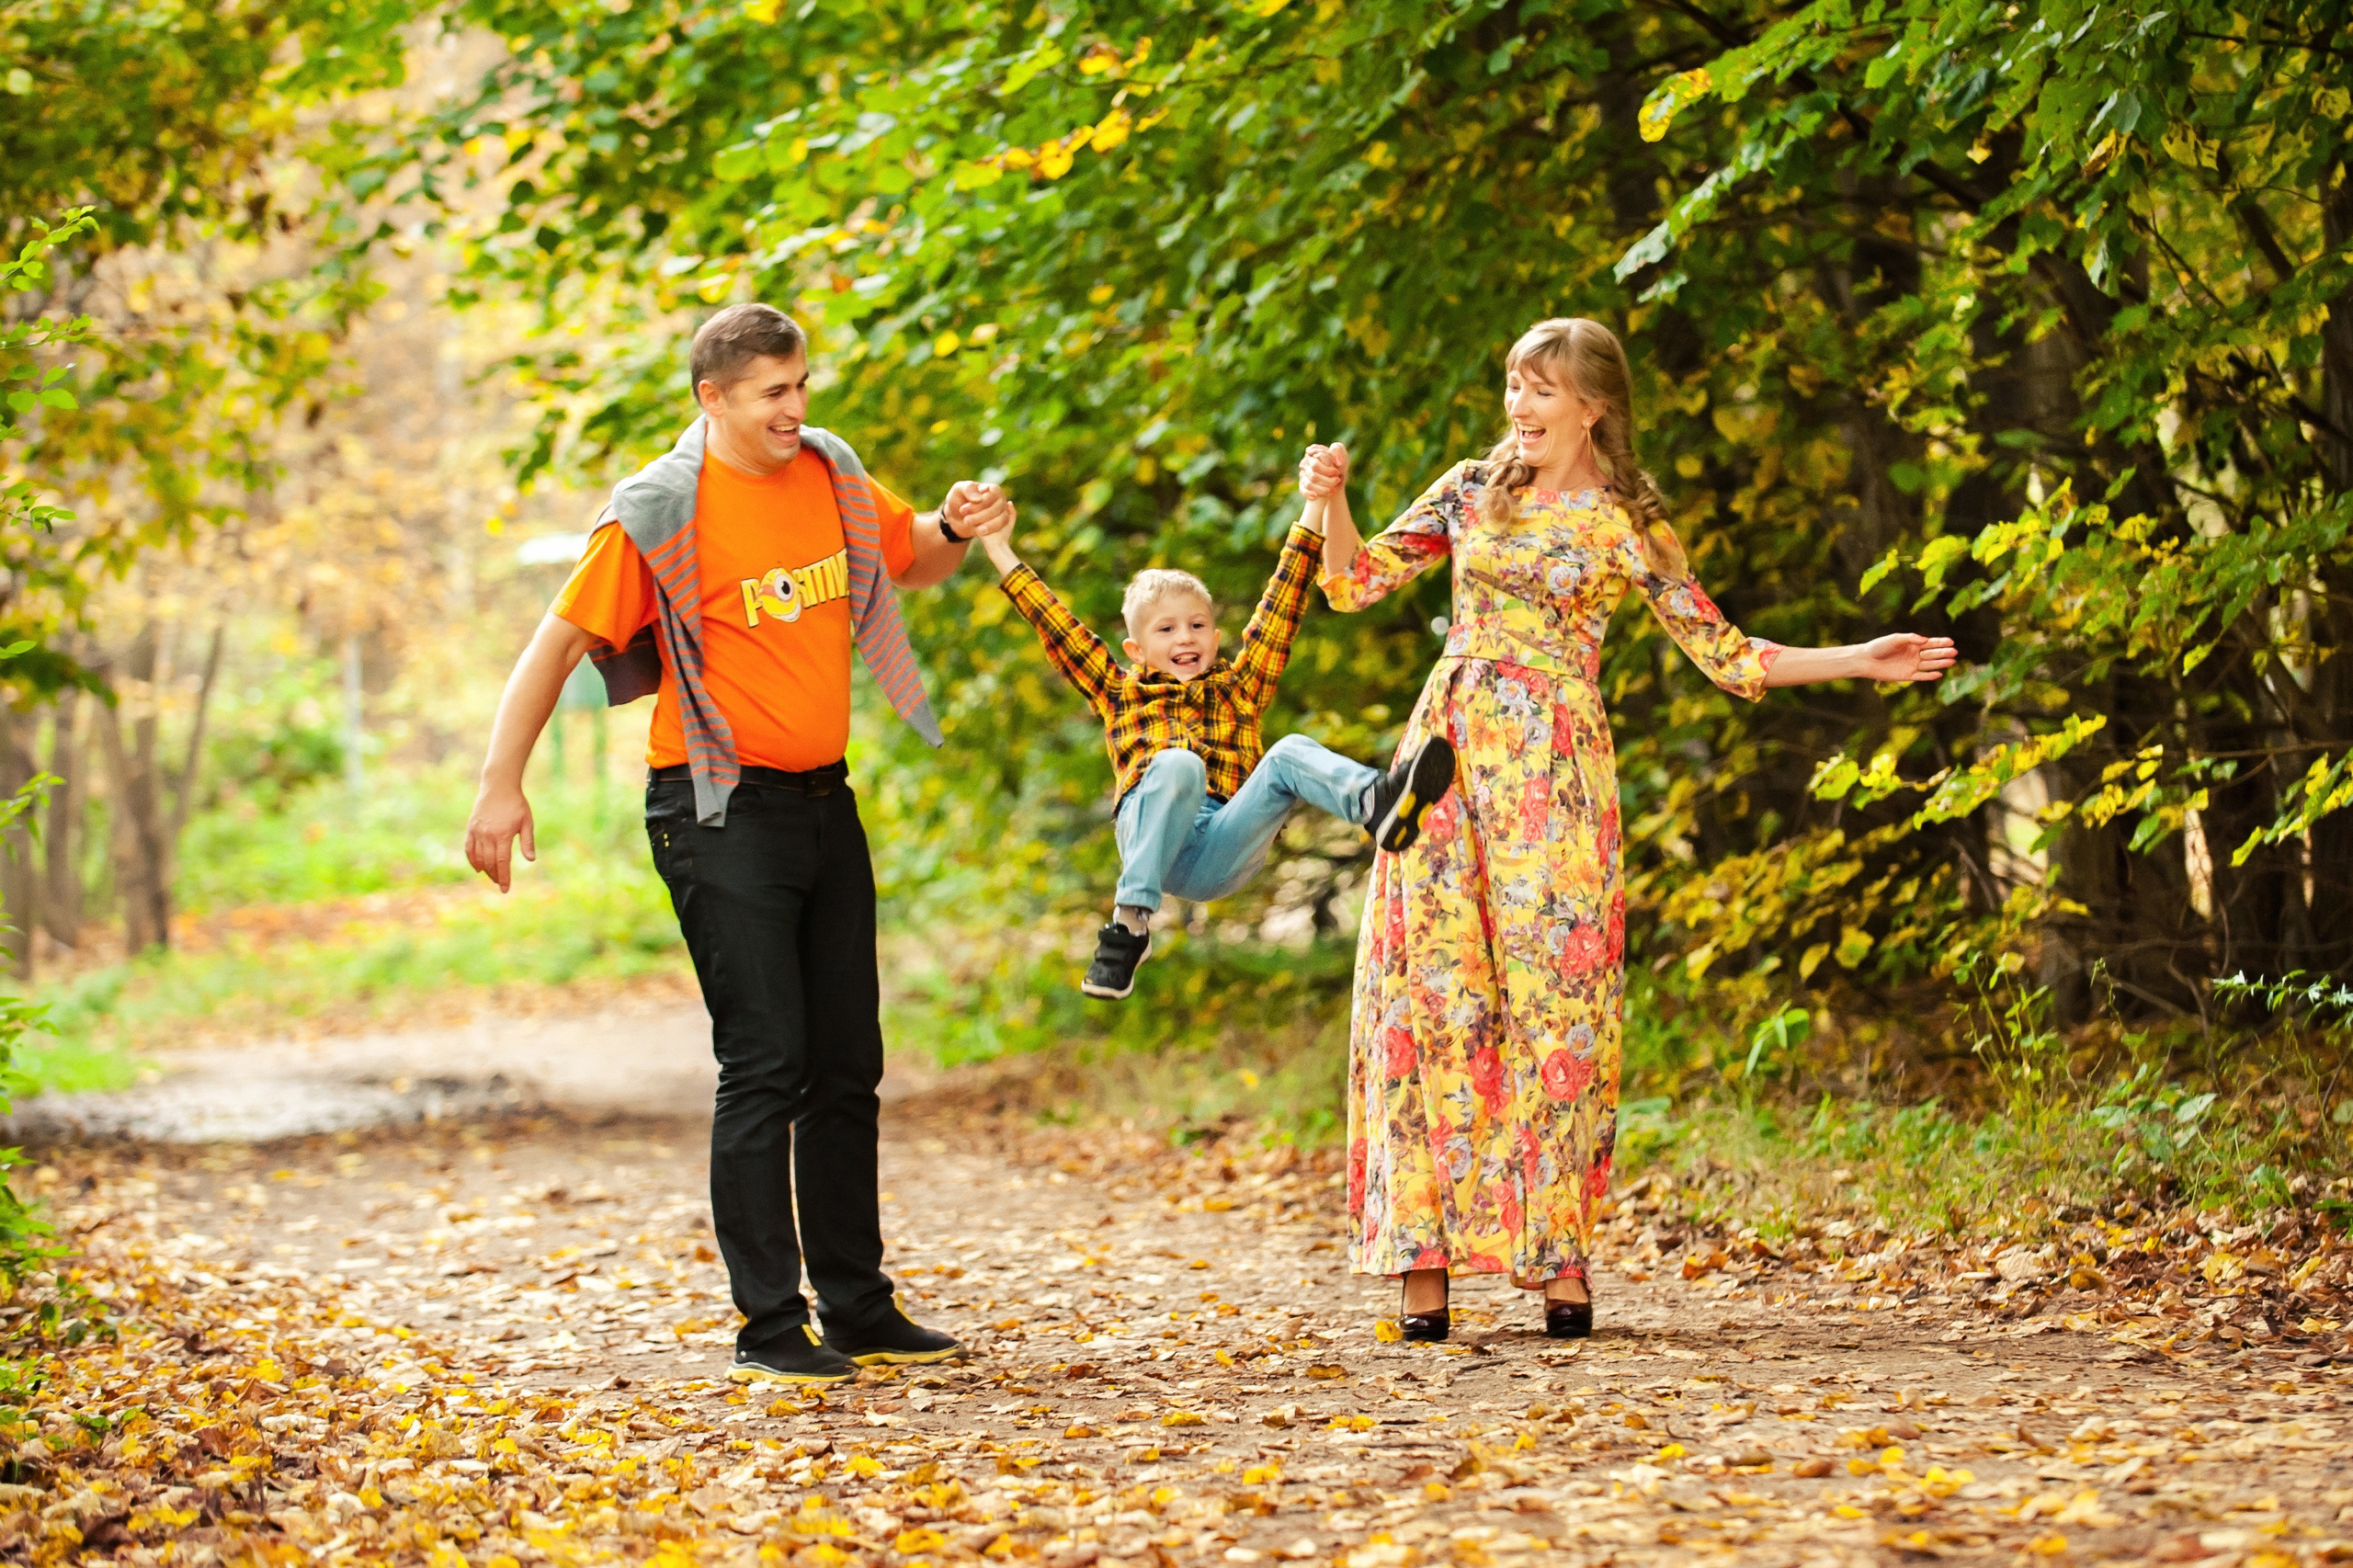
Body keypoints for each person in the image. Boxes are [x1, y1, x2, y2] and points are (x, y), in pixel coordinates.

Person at [1305, 317, 1957, 1343]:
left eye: (1539, 391)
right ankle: (1419, 1261)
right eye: (1513, 387)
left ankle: (1556, 1252)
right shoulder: (1468, 489)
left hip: (1557, 776)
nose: (1518, 409)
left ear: (1592, 405)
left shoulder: (1627, 524)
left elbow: (1728, 654)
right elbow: (1351, 584)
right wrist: (1329, 503)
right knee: (1429, 994)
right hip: (1445, 759)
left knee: (1556, 1005)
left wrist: (1857, 658)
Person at [462, 302, 1014, 1385]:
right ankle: (771, 1322)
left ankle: (858, 1304)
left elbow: (909, 563)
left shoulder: (828, 470)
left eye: (802, 385)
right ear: (713, 398)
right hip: (715, 810)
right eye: (773, 391)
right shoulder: (661, 509)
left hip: (822, 801)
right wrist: (499, 783)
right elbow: (555, 644)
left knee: (847, 1059)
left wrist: (951, 525)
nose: (795, 408)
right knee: (767, 1060)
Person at [978, 494, 1456, 999]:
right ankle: (1129, 925)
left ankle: (1377, 804)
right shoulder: (1119, 691)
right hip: (1154, 841)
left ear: (1215, 633)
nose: (1186, 637)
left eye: (1197, 625)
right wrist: (998, 549)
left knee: (1289, 751)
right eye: (1166, 629)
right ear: (1136, 651)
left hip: (1222, 850)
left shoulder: (1239, 688)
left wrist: (1315, 505)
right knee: (1181, 766)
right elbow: (1057, 627)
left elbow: (1282, 604)